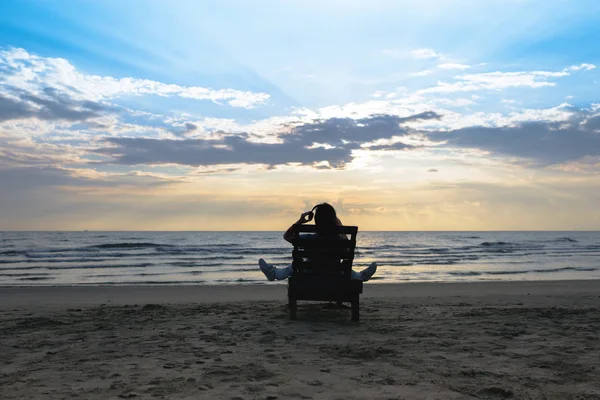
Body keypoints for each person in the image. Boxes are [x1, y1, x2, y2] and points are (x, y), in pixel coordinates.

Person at [258, 203, 377, 281]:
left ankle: (273, 273)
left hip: (309, 276)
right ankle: (361, 276)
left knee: (294, 266)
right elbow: (346, 251)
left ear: (316, 221)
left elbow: (286, 236)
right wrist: (339, 226)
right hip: (334, 276)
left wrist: (300, 221)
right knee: (344, 268)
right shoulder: (340, 240)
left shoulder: (308, 239)